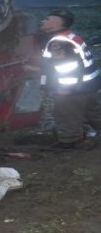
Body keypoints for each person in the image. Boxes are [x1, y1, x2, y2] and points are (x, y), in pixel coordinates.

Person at [38, 9, 101, 148]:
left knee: (67, 114)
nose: (43, 20)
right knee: (94, 112)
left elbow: (67, 67)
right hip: (89, 85)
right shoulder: (70, 36)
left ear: (57, 23)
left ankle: (69, 141)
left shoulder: (58, 41)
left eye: (48, 19)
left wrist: (65, 88)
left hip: (74, 90)